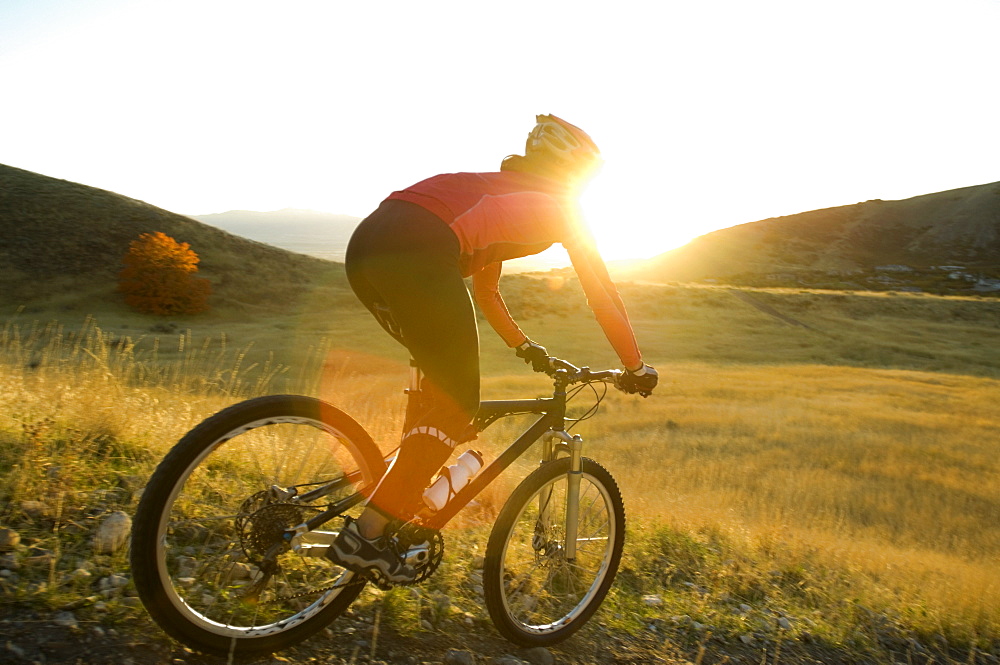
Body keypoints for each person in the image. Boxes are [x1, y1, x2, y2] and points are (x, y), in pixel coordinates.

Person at [327, 114, 658, 583]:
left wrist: (525, 348)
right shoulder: (563, 207)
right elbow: (602, 293)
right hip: (420, 248)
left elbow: (486, 292)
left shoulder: (498, 189)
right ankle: (366, 537)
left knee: (436, 403)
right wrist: (636, 366)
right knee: (459, 405)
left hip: (370, 242)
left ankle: (400, 495)